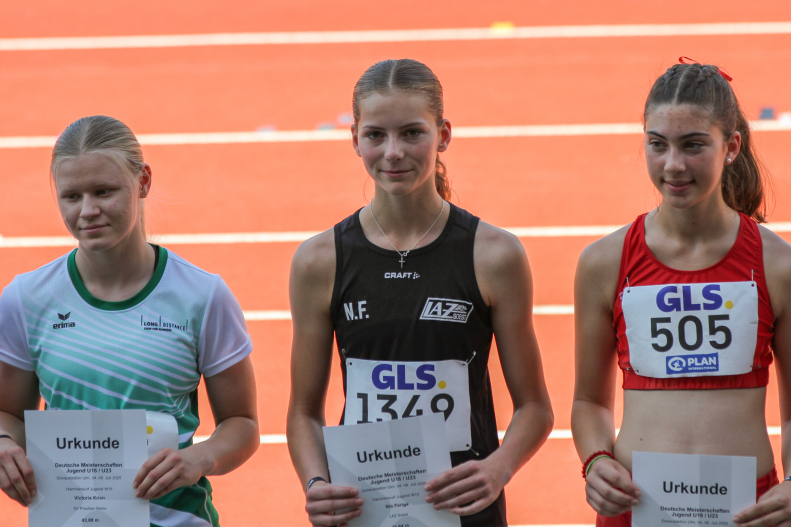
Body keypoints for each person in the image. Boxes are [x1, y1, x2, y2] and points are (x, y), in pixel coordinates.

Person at [287, 58, 554, 527]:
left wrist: (498, 468)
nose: (392, 152)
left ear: (443, 135)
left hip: (465, 510)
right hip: (363, 509)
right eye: (375, 135)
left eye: (412, 133)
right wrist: (316, 484)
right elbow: (303, 412)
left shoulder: (494, 255)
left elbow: (535, 407)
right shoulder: (318, 261)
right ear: (354, 139)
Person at [0, 115, 259, 527]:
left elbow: (241, 423)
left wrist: (199, 458)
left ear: (143, 182)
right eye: (71, 196)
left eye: (104, 191)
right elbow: (8, 413)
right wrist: (4, 447)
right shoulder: (25, 299)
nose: (88, 211)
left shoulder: (202, 296)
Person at [572, 60, 791, 526]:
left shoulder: (778, 265)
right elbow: (589, 402)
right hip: (636, 505)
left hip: (751, 510)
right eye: (658, 145)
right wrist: (595, 461)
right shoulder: (604, 262)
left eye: (693, 145)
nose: (673, 165)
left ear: (731, 146)